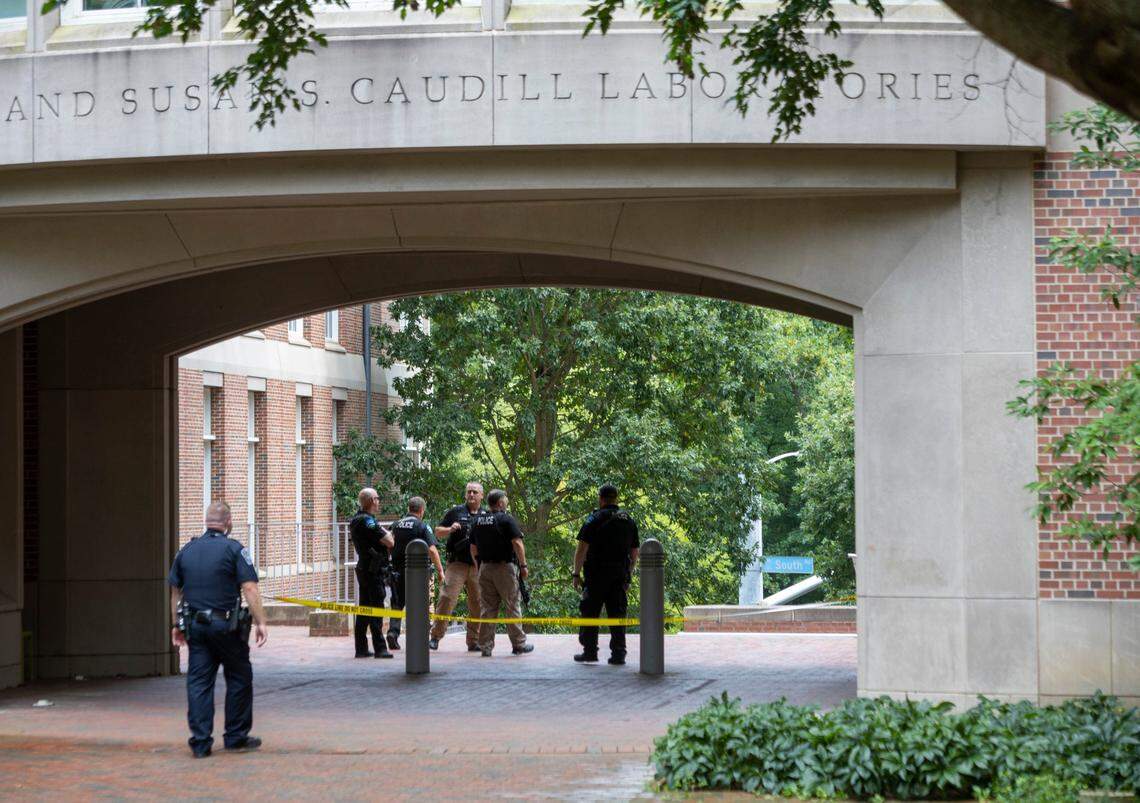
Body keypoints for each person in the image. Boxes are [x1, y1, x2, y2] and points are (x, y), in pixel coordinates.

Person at [168, 500, 269, 759]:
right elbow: (249, 588)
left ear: (206, 521)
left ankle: (200, 742)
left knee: (199, 682)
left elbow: (175, 592)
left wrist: (176, 625)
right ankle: (235, 736)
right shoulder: (234, 549)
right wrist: (261, 621)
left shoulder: (186, 551)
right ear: (228, 522)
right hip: (227, 627)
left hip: (196, 628)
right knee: (238, 677)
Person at [572, 483, 640, 665]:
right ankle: (618, 653)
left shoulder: (594, 519)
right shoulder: (628, 520)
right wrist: (629, 575)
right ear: (616, 498)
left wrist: (576, 574)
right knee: (617, 615)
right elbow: (634, 552)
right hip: (619, 576)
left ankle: (590, 652)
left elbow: (581, 549)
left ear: (600, 499)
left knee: (590, 613)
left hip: (596, 575)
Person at [469, 489, 533, 657]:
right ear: (500, 503)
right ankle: (518, 644)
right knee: (512, 605)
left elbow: (473, 546)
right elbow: (517, 543)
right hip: (504, 569)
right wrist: (524, 566)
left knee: (488, 608)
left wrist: (478, 566)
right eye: (505, 500)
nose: (506, 503)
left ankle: (486, 647)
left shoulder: (478, 520)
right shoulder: (505, 518)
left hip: (485, 568)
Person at [429, 482, 486, 651]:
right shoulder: (455, 512)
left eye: (475, 492)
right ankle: (435, 637)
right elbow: (437, 532)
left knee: (477, 603)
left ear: (481, 495)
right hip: (457, 564)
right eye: (469, 492)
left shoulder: (486, 514)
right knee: (446, 598)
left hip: (477, 566)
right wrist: (450, 529)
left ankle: (473, 641)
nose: (471, 495)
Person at [386, 496, 444, 651]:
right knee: (419, 605)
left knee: (397, 604)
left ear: (408, 509)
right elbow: (432, 549)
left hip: (397, 570)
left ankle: (393, 633)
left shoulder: (396, 525)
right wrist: (440, 570)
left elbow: (388, 544)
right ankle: (419, 638)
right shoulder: (422, 526)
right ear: (421, 510)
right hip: (417, 572)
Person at [349, 487, 395, 659]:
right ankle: (380, 648)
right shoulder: (368, 521)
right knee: (375, 608)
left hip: (365, 568)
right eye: (377, 498)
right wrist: (389, 534)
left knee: (364, 608)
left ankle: (361, 648)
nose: (378, 501)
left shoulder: (357, 519)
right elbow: (389, 542)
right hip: (372, 570)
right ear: (370, 501)